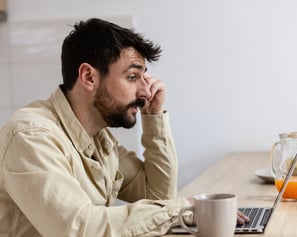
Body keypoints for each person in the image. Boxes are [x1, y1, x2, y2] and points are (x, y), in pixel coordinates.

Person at [0, 18, 248, 237]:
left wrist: (153, 117)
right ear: (88, 77)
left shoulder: (99, 139)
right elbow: (80, 229)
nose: (145, 90)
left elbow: (157, 196)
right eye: (132, 77)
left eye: (144, 77)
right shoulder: (30, 137)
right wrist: (184, 209)